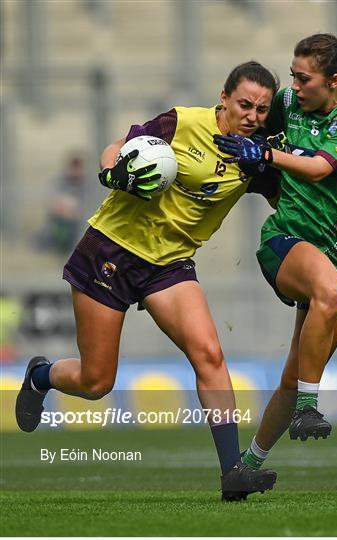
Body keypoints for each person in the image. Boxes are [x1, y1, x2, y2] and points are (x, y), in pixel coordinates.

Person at [15, 62, 280, 501]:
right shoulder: (182, 123)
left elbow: (285, 198)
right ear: (224, 98)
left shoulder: (254, 158)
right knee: (96, 383)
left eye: (262, 109)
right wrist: (111, 171)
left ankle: (233, 472)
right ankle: (41, 375)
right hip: (111, 251)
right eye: (245, 104)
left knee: (210, 353)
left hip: (169, 264)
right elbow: (119, 146)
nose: (252, 115)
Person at [213, 34, 337, 467]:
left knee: (295, 374)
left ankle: (245, 467)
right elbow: (241, 122)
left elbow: (320, 168)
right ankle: (309, 409)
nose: (294, 86)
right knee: (325, 287)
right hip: (285, 242)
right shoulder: (286, 102)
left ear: (334, 81)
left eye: (304, 79)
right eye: (293, 76)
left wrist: (264, 155)